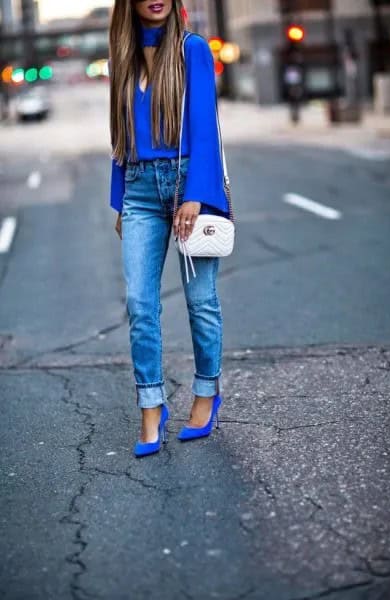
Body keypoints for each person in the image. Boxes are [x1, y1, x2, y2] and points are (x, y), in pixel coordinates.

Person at [108, 0, 230, 457]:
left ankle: (205, 394)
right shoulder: (123, 55)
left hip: (186, 185)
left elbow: (204, 128)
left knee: (201, 303)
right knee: (140, 303)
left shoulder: (191, 48)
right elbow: (120, 134)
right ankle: (150, 406)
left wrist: (196, 194)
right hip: (140, 189)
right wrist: (121, 200)